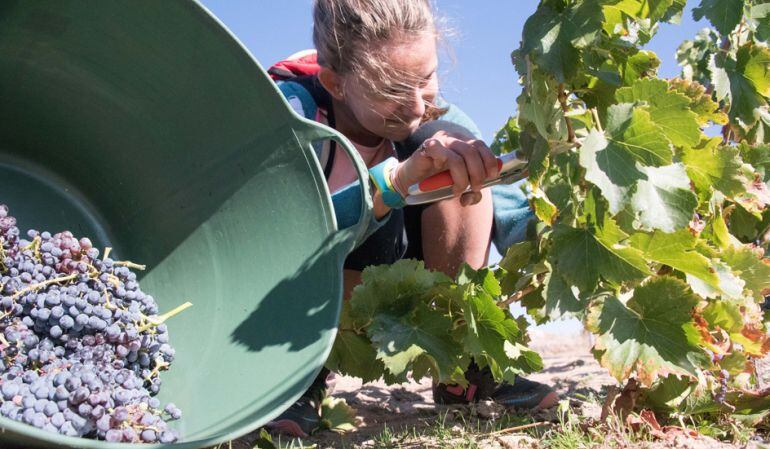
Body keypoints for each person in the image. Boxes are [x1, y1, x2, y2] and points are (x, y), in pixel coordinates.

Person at [266, 0, 558, 437]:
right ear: (336, 83)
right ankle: (300, 376)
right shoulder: (293, 115)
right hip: (312, 292)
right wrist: (394, 184)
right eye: (393, 90)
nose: (418, 105)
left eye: (426, 80)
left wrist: (555, 236)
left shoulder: (440, 118)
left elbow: (505, 206)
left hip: (411, 297)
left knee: (456, 156)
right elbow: (280, 240)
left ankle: (459, 366)